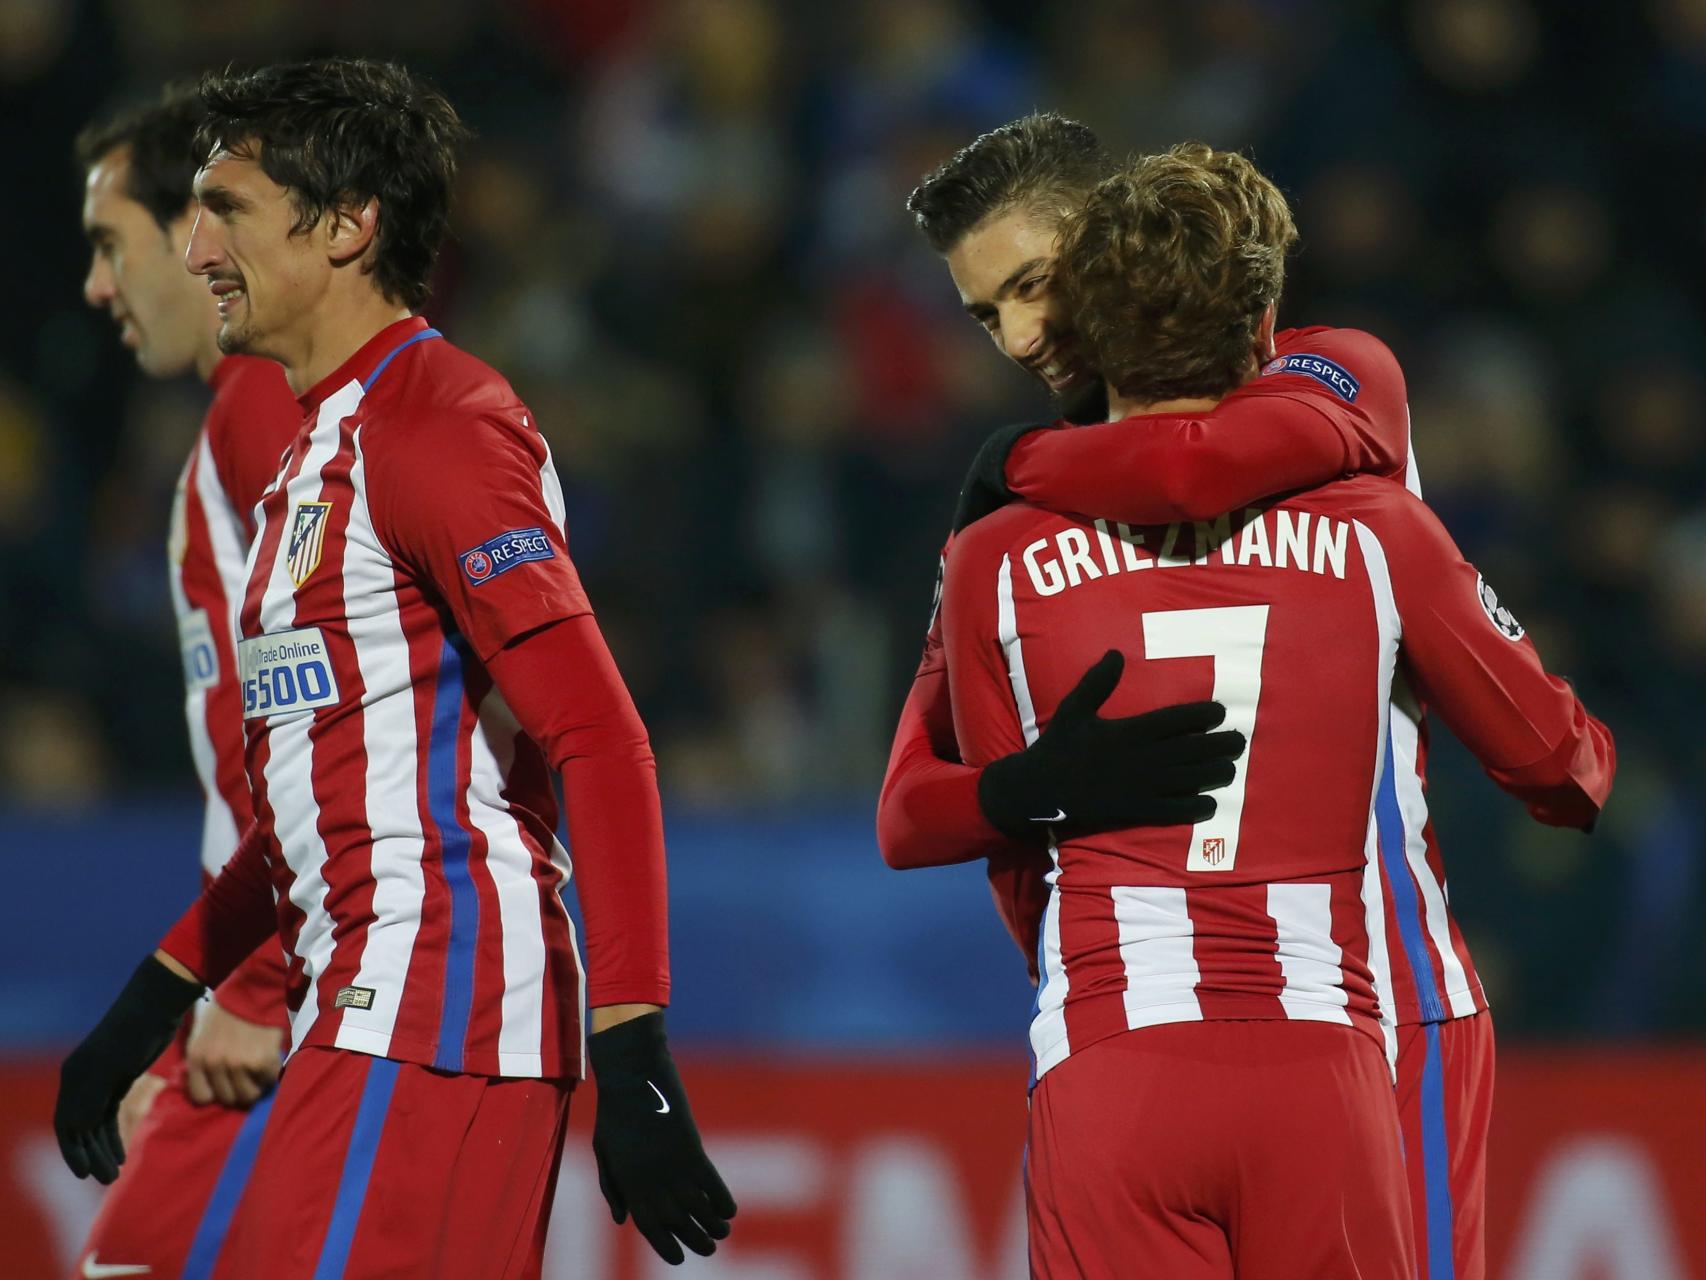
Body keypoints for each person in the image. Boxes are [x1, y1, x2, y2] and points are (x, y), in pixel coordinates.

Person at [55, 58, 733, 1276]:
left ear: (349, 224)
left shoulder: (438, 424)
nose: (194, 243)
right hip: (374, 997)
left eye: (227, 208)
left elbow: (600, 736)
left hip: (436, 997)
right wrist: (152, 997)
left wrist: (635, 1040)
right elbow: (324, 796)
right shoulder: (316, 446)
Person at [938, 141, 1614, 1278]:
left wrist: (1023, 465)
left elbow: (1196, 468)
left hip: (1370, 992)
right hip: (1275, 1015)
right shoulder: (1033, 525)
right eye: (983, 312)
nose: (1022, 335)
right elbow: (943, 800)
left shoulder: (1327, 378)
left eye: (1034, 283)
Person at [71, 84, 304, 1280]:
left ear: (191, 232)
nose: (98, 288)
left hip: (301, 985)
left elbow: (331, 726)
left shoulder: (265, 410)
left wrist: (255, 985)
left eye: (112, 245)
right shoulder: (247, 414)